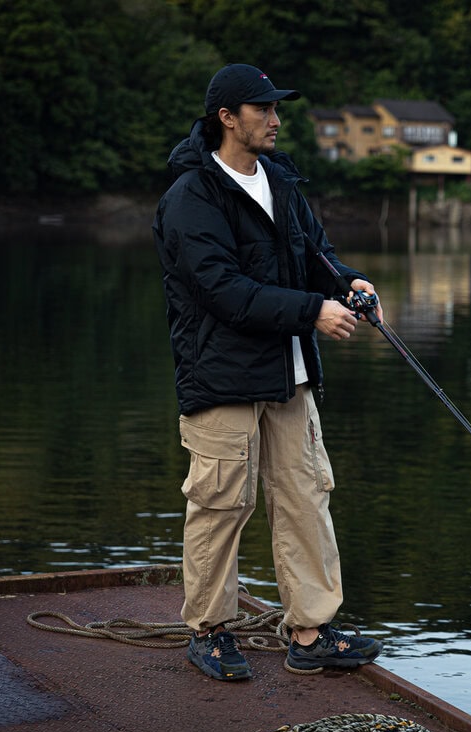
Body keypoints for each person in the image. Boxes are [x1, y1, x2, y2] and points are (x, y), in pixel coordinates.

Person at [153, 63, 383, 680]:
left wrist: (348, 283)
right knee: (221, 505)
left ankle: (310, 632)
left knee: (307, 498)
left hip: (290, 375)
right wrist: (315, 311)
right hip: (222, 377)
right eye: (263, 110)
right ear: (227, 117)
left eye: (277, 109)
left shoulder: (282, 183)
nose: (276, 120)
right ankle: (210, 630)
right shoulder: (190, 198)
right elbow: (225, 292)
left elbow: (317, 256)